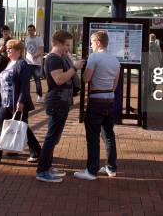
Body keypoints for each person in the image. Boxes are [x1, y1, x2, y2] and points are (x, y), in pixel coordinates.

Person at [36, 30, 84, 183]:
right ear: (59, 43)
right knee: (51, 137)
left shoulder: (60, 57)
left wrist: (70, 62)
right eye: (67, 45)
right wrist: (74, 68)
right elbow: (59, 79)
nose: (68, 48)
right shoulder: (53, 59)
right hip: (57, 101)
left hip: (61, 102)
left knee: (54, 137)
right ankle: (42, 171)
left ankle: (47, 167)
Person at [0, 40, 41, 164]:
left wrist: (20, 101)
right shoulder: (9, 63)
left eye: (11, 49)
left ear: (18, 51)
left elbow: (25, 85)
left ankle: (36, 152)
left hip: (16, 103)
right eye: (8, 48)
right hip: (5, 102)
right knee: (0, 126)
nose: (8, 50)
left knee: (22, 127)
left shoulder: (22, 64)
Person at [74, 31, 120, 181]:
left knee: (92, 137)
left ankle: (91, 171)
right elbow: (115, 85)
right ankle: (111, 168)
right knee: (109, 135)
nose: (91, 45)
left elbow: (86, 79)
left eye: (92, 42)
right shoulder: (115, 60)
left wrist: (81, 70)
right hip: (110, 99)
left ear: (98, 43)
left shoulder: (94, 57)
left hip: (96, 100)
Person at [24, 24, 45, 103]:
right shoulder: (26, 39)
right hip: (28, 63)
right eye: (29, 30)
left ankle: (39, 96)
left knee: (37, 80)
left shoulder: (39, 39)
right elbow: (26, 50)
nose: (30, 31)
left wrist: (36, 55)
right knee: (26, 80)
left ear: (34, 30)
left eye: (31, 30)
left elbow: (41, 49)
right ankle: (26, 96)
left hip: (37, 63)